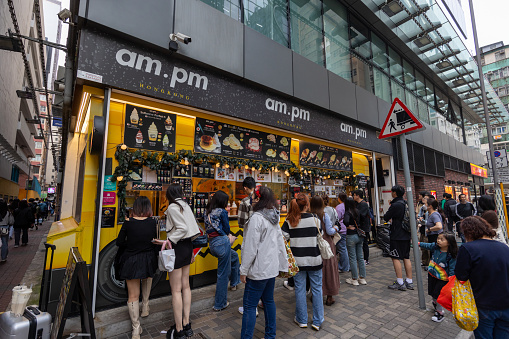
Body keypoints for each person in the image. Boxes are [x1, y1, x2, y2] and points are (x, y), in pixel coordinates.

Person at [239, 187, 287, 339]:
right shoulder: (274, 217)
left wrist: (243, 270)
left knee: (249, 306)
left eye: (254, 197)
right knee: (268, 301)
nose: (252, 200)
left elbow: (250, 248)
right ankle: (270, 335)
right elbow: (280, 242)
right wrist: (282, 265)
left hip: (258, 270)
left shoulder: (257, 219)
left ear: (259, 199)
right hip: (271, 269)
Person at [158, 184, 201, 339]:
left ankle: (179, 330)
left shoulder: (172, 207)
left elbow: (181, 228)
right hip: (187, 246)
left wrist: (168, 240)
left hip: (177, 247)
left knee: (176, 290)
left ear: (169, 194)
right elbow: (192, 228)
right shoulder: (185, 205)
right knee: (186, 286)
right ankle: (186, 323)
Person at [455, 216, 509, 338]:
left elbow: (461, 276)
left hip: (484, 304)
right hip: (506, 303)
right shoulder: (504, 247)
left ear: (468, 232)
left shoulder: (468, 248)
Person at [115, 197, 158, 339]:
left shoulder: (128, 223)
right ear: (148, 208)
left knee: (132, 295)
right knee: (148, 277)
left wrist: (132, 244)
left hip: (131, 260)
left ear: (135, 208)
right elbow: (154, 241)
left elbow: (119, 242)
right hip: (148, 259)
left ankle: (136, 329)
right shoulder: (153, 222)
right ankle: (145, 306)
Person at [281, 193, 324, 331]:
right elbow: (320, 235)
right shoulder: (315, 219)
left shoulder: (289, 220)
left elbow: (283, 238)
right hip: (314, 259)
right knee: (317, 289)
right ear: (307, 204)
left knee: (300, 289)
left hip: (297, 261)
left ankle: (302, 319)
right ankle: (317, 321)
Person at [205, 190, 240, 312]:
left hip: (213, 244)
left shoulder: (207, 211)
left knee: (235, 257)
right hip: (222, 243)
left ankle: (235, 282)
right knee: (223, 274)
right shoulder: (222, 212)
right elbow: (226, 228)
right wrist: (229, 238)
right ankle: (220, 303)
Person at [418, 233, 457, 323]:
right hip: (432, 275)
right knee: (432, 292)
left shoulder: (451, 255)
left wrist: (451, 280)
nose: (438, 241)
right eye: (438, 238)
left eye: (442, 239)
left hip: (443, 279)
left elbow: (452, 269)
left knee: (438, 295)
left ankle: (440, 313)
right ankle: (435, 303)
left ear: (449, 242)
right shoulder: (435, 247)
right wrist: (419, 243)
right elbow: (427, 245)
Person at [311, 196, 339, 306]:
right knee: (329, 270)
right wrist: (336, 227)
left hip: (314, 244)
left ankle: (316, 295)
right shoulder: (324, 215)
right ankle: (329, 296)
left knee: (317, 271)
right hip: (326, 244)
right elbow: (330, 231)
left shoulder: (310, 216)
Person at [383, 185, 413, 291]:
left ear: (394, 193)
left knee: (395, 257)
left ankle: (400, 282)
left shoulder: (395, 205)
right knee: (406, 257)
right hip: (406, 234)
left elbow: (386, 217)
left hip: (397, 235)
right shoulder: (405, 203)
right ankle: (409, 281)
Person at [344, 197, 367, 286]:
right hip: (359, 235)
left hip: (351, 235)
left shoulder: (347, 212)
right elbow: (363, 219)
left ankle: (354, 279)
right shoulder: (357, 210)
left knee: (352, 258)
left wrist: (348, 226)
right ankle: (362, 278)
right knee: (360, 257)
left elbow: (345, 221)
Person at [352, 190, 371, 265]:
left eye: (354, 195)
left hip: (364, 227)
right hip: (360, 226)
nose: (353, 197)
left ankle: (366, 259)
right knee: (360, 243)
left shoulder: (363, 204)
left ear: (358, 196)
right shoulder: (357, 203)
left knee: (365, 243)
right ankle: (361, 258)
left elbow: (361, 215)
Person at [335, 193, 350, 273]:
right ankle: (348, 266)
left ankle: (344, 267)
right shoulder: (349, 205)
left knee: (342, 249)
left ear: (339, 198)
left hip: (342, 229)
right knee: (347, 248)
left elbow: (337, 218)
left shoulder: (339, 207)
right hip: (349, 229)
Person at [417, 193, 430, 268]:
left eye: (425, 198)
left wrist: (422, 221)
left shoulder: (429, 209)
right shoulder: (422, 208)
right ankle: (424, 262)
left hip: (427, 230)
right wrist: (419, 219)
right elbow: (419, 216)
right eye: (424, 198)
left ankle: (429, 263)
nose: (423, 199)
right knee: (422, 247)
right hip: (422, 229)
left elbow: (428, 221)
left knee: (427, 246)